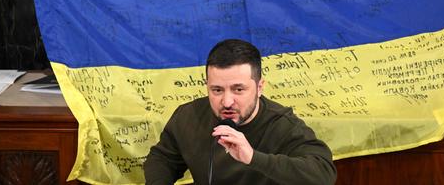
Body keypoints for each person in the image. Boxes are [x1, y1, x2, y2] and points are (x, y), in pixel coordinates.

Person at [143, 39, 337, 185]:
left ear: (259, 87)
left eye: (238, 90)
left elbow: (324, 174)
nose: (227, 102)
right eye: (217, 90)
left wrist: (253, 157)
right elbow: (162, 159)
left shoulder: (283, 125)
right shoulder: (188, 116)